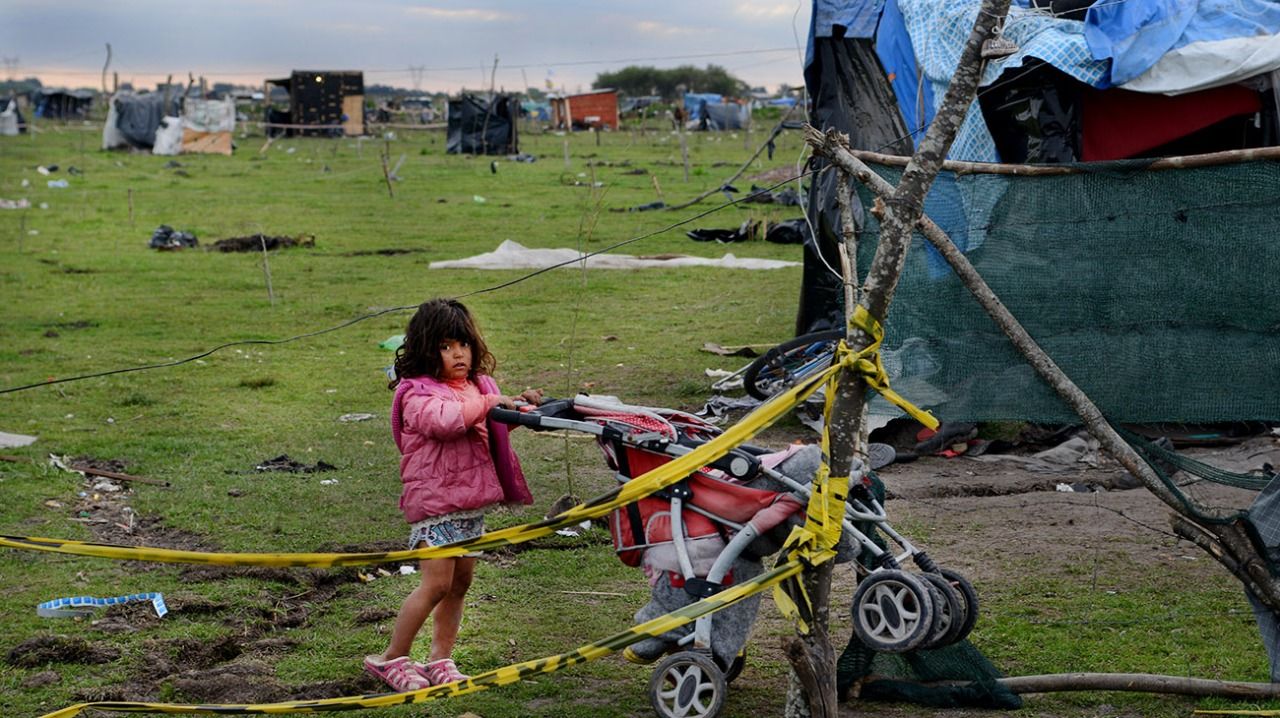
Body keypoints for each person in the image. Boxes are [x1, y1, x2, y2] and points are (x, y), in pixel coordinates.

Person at [364, 298, 540, 692]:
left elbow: (484, 431)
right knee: (436, 585)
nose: (458, 353)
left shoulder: (475, 388)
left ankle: (440, 658)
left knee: (460, 584)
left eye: (463, 344)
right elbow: (444, 423)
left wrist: (519, 409)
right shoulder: (418, 393)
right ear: (428, 350)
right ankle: (390, 657)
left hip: (468, 503)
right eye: (445, 346)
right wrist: (491, 403)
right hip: (435, 504)